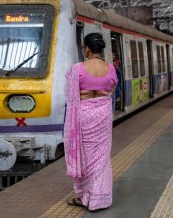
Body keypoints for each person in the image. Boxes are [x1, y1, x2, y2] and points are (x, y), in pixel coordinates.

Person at [64, 33, 117, 212]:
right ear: (101, 49)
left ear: (86, 49)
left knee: (85, 156)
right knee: (101, 158)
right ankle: (99, 199)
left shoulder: (77, 69)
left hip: (84, 116)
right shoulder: (110, 68)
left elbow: (71, 97)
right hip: (103, 116)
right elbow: (111, 90)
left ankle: (85, 197)